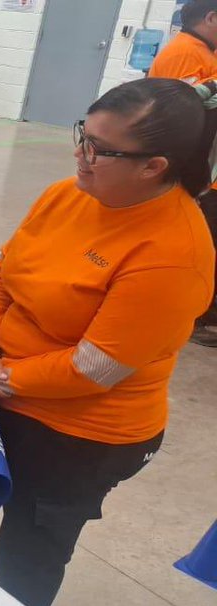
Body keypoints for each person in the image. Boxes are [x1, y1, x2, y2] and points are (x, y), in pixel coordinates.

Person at [0, 78, 215, 606]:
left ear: (154, 166)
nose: (81, 154)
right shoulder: (68, 194)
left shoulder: (174, 252)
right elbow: (0, 276)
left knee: (27, 557)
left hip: (81, 433)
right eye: (84, 134)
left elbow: (95, 368)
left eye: (100, 150)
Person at [149, 0, 217, 346]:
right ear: (211, 17)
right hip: (186, 166)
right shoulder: (186, 52)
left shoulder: (205, 52)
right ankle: (194, 315)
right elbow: (180, 117)